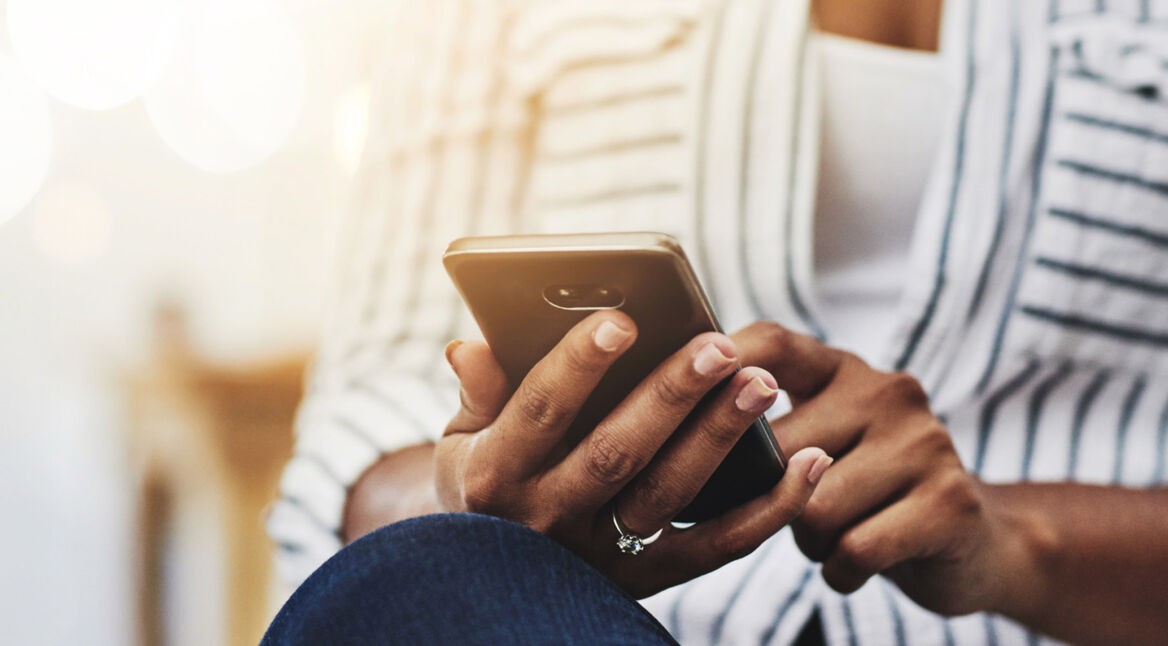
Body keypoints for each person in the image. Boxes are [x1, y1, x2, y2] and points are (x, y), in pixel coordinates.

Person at [264, 0, 1168, 643]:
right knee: (421, 585)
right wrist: (480, 505)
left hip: (1049, 624)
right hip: (601, 626)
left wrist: (1016, 541)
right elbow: (363, 416)